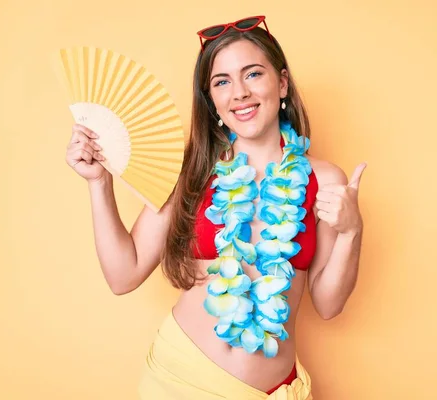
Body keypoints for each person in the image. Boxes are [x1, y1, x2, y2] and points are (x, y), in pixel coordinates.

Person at [64, 15, 366, 400]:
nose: (239, 92)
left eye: (253, 74)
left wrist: (352, 230)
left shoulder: (325, 181)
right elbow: (123, 275)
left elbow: (328, 304)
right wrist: (99, 183)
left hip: (274, 389)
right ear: (212, 101)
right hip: (180, 383)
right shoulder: (191, 173)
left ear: (282, 82)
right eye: (222, 82)